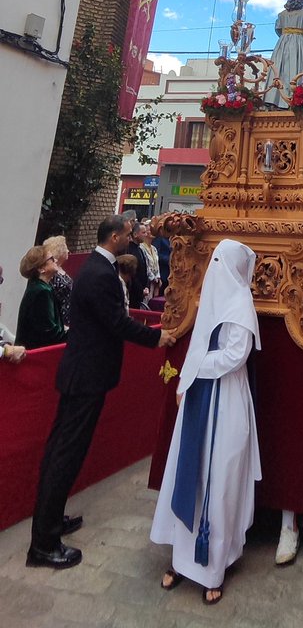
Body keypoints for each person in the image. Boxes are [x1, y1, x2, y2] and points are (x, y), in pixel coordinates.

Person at [27, 215, 175, 569]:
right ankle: (43, 544)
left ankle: (52, 518)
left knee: (65, 452)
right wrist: (156, 337)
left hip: (85, 373)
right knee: (64, 454)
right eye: (127, 234)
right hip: (85, 376)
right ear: (113, 237)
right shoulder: (97, 273)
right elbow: (117, 322)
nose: (132, 238)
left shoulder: (97, 267)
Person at [151, 239, 261, 606]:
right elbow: (199, 345)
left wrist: (196, 370)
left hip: (225, 400)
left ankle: (212, 569)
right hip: (200, 397)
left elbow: (235, 355)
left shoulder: (241, 305)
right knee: (189, 473)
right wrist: (187, 380)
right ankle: (181, 560)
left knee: (220, 478)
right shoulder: (212, 300)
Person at [15, 246, 68, 350]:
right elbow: (50, 333)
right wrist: (77, 332)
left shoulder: (39, 286)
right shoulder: (41, 291)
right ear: (41, 268)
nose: (56, 260)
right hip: (34, 356)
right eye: (51, 259)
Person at [42, 235, 73, 326]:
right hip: (61, 317)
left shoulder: (60, 270)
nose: (68, 251)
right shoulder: (52, 273)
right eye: (65, 248)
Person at [126, 217, 150, 309]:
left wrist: (146, 286)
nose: (146, 234)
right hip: (133, 293)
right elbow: (132, 274)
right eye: (143, 232)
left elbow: (145, 269)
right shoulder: (130, 250)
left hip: (141, 291)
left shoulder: (140, 249)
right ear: (135, 234)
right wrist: (141, 290)